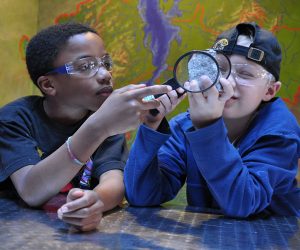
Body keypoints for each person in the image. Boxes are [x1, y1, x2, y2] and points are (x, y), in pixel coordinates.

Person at [0, 22, 171, 231]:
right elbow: (31, 190)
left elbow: (114, 181)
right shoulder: (15, 119)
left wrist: (94, 202)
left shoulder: (103, 118)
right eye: (85, 66)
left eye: (105, 63)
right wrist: (99, 127)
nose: (105, 74)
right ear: (49, 85)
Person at [124, 22, 300, 217]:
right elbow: (142, 196)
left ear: (269, 91)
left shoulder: (280, 134)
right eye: (220, 68)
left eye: (245, 74)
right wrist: (150, 127)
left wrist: (207, 127)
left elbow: (243, 203)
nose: (227, 82)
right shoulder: (185, 126)